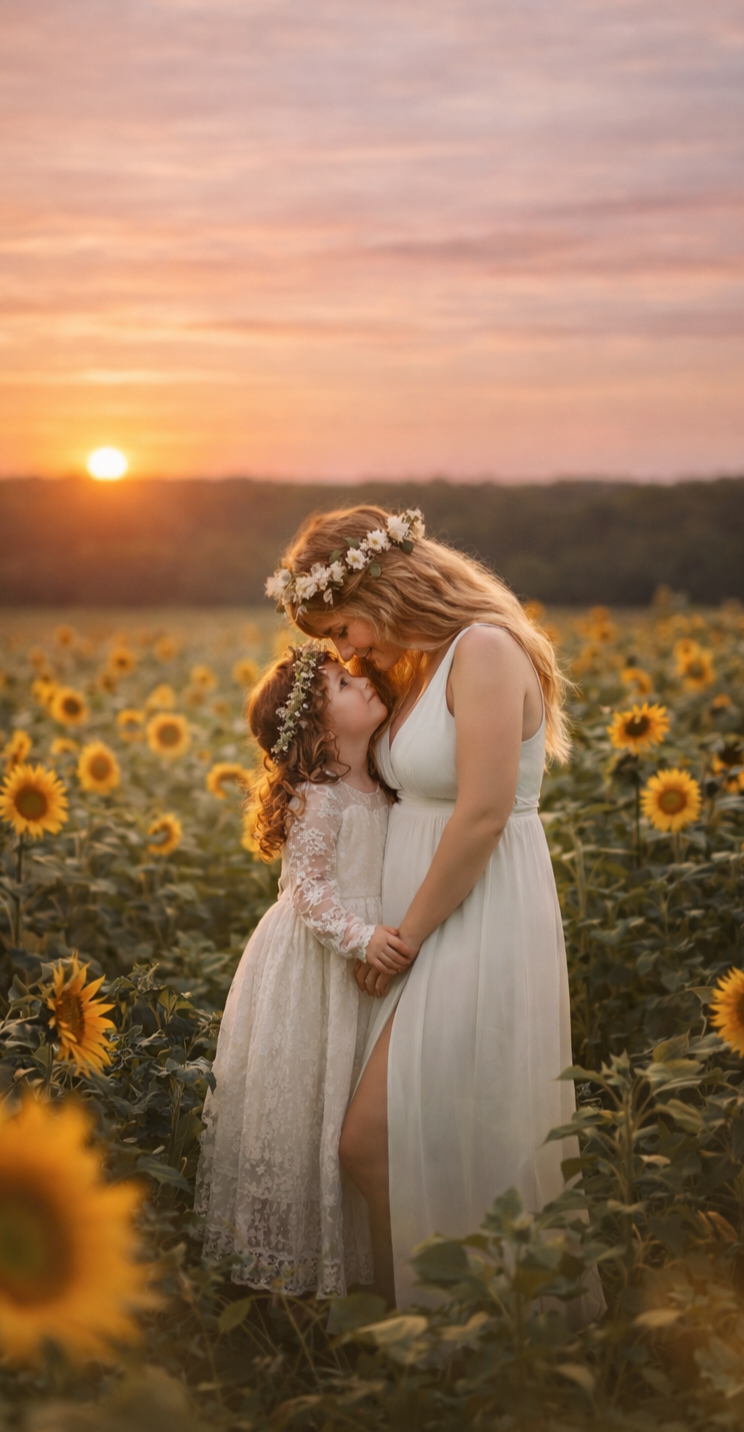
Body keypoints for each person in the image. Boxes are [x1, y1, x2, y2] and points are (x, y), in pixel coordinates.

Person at [266, 506, 602, 1317]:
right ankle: (435, 1328)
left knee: (374, 1140)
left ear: (378, 588)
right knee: (428, 1131)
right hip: (420, 913)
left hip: (472, 912)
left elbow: (482, 814)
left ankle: (449, 1325)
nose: (346, 652)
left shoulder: (484, 649)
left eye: (342, 628)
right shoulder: (420, 663)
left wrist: (405, 938)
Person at [195, 641, 413, 1297]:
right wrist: (361, 938)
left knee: (357, 1091)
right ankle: (308, 1280)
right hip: (321, 966)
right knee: (317, 1098)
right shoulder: (320, 797)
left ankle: (372, 1263)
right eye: (344, 684)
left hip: (368, 955)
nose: (362, 681)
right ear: (318, 726)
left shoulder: (384, 779)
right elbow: (307, 892)